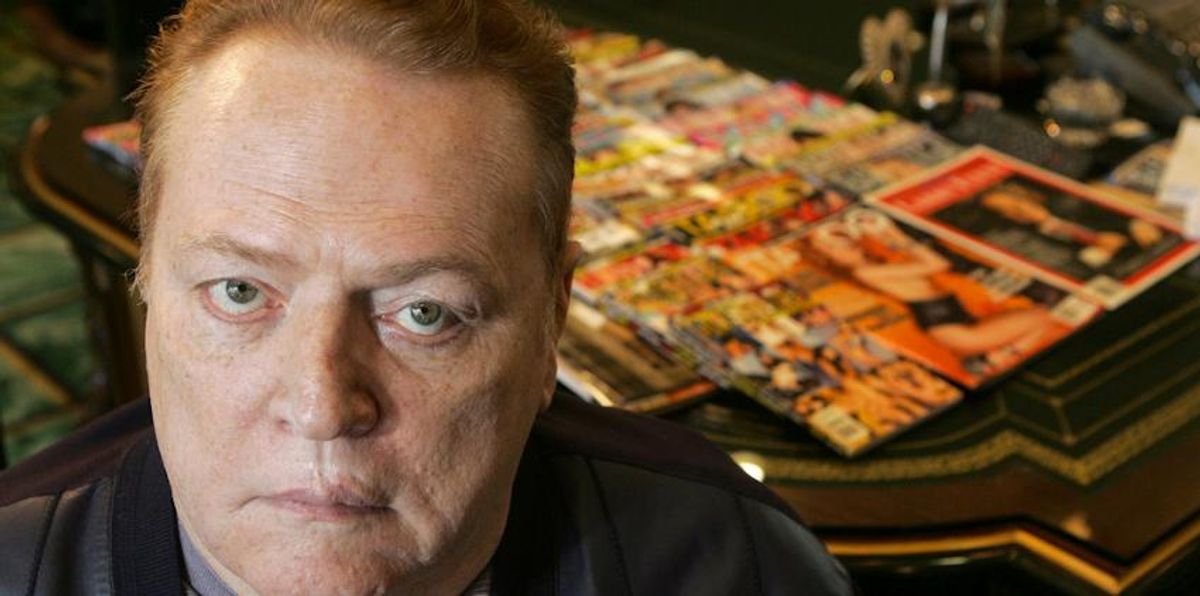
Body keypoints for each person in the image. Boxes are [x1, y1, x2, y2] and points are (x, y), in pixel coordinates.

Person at [0, 1, 854, 594]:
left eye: (425, 313)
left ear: (553, 320)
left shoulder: (738, 565)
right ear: (148, 283)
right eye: (240, 292)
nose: (322, 407)